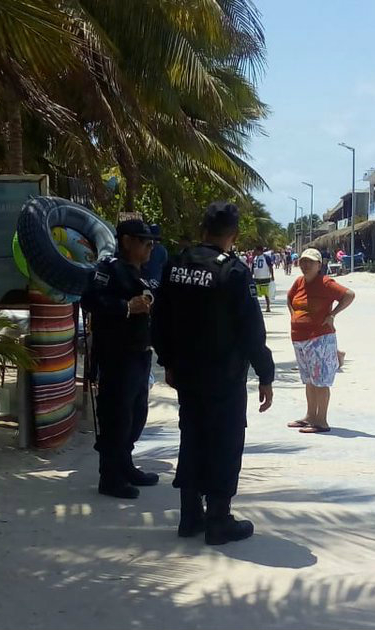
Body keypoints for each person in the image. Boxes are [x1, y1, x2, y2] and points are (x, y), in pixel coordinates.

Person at [152, 201, 274, 546]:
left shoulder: (175, 265)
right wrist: (265, 374)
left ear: (202, 229)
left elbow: (159, 319)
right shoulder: (233, 272)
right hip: (224, 376)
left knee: (192, 437)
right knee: (224, 442)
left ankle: (190, 516)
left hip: (187, 374)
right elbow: (252, 330)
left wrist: (169, 362)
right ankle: (218, 519)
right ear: (233, 236)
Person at [82, 220, 161, 499]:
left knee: (137, 415)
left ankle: (125, 465)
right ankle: (110, 476)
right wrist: (126, 307)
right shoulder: (108, 269)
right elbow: (91, 301)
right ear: (127, 241)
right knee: (116, 417)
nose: (150, 247)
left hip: (140, 354)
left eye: (152, 243)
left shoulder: (143, 272)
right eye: (145, 241)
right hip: (117, 355)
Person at [286, 248, 355, 433]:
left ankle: (321, 421)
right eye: (303, 262)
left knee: (321, 381)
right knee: (309, 379)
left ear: (319, 265)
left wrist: (332, 315)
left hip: (320, 338)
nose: (305, 265)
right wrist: (294, 316)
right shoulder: (299, 282)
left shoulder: (325, 282)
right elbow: (289, 298)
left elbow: (349, 295)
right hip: (300, 338)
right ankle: (310, 416)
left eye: (310, 262)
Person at [140, 224, 169, 289]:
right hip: (156, 282)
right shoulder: (163, 250)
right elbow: (164, 265)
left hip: (143, 280)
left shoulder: (144, 247)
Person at [250, 245, 275, 313]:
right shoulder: (255, 258)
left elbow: (270, 267)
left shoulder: (266, 257)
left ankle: (268, 306)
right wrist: (251, 275)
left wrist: (272, 276)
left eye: (255, 250)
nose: (254, 251)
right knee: (255, 293)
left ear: (259, 251)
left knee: (266, 293)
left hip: (264, 277)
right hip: (256, 278)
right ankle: (255, 307)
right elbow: (253, 267)